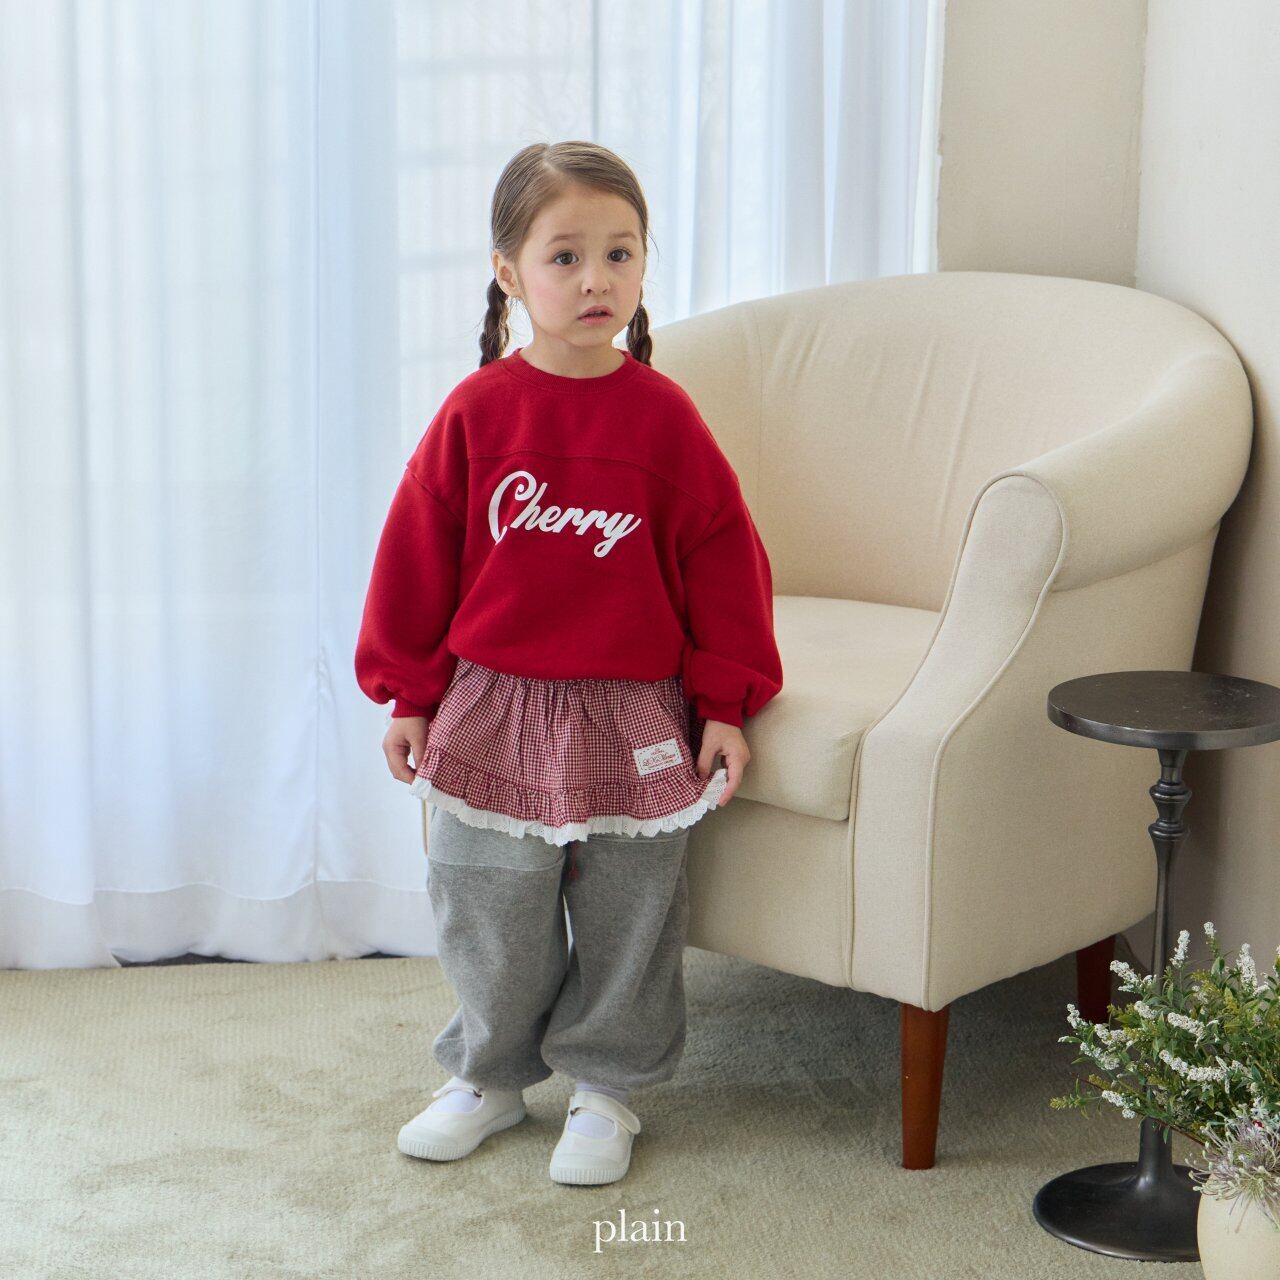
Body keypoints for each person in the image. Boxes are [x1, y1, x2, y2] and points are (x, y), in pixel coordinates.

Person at [354, 140, 783, 1186]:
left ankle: (607, 1086)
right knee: (485, 900)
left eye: (619, 253)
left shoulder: (664, 418)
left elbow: (725, 562)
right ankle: (489, 1077)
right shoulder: (476, 413)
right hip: (491, 706)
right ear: (508, 272)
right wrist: (409, 693)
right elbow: (415, 559)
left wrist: (724, 703)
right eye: (565, 256)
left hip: (633, 712)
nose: (596, 279)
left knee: (632, 909)